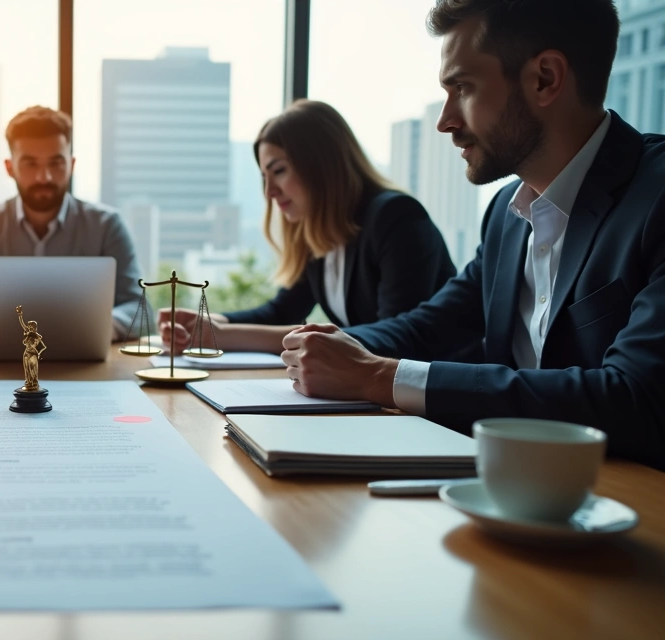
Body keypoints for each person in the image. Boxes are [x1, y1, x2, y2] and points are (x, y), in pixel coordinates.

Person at [280, 0, 665, 470]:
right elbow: (428, 327)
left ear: (545, 78)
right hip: (507, 486)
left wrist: (379, 378)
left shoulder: (656, 197)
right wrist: (322, 349)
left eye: (462, 87)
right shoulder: (506, 214)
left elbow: (637, 398)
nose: (446, 120)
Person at [161, 100, 456, 355]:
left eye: (278, 171)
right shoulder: (318, 232)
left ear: (322, 164)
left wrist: (226, 336)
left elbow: (392, 338)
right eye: (264, 177)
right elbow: (281, 312)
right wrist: (216, 322)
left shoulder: (395, 217)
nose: (269, 192)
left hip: (436, 406)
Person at [0, 106, 144, 341]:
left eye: (55, 163)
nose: (43, 177)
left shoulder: (107, 226)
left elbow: (137, 307)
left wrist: (95, 330)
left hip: (85, 368)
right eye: (30, 164)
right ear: (9, 167)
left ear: (71, 165)